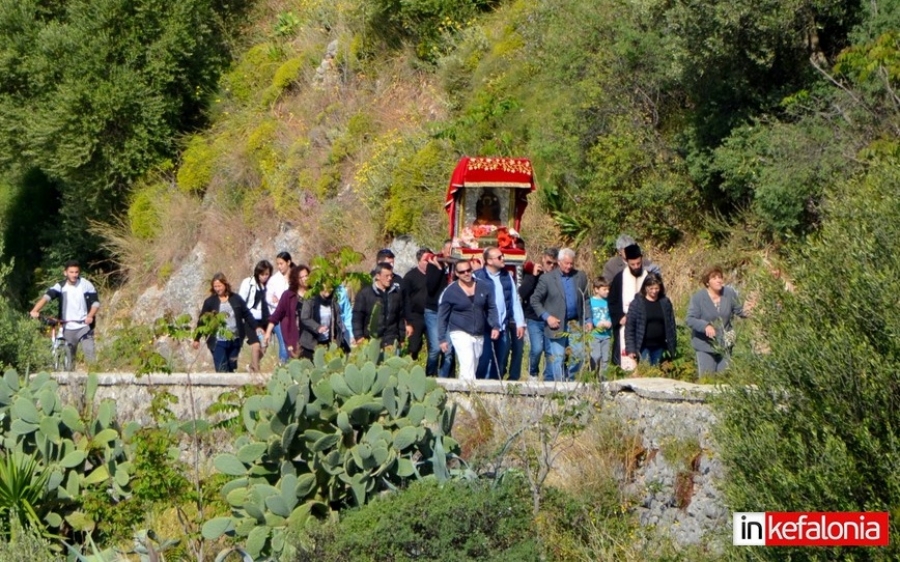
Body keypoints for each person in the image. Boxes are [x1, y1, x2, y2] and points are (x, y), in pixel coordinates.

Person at [530, 248, 592, 382]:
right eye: (566, 263)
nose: (569, 266)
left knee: (579, 355)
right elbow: (534, 300)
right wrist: (547, 316)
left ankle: (572, 382)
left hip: (575, 323)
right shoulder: (547, 279)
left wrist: (588, 318)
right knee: (557, 359)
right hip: (556, 324)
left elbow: (585, 298)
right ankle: (559, 389)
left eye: (571, 263)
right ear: (559, 262)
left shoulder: (580, 276)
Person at [437, 260, 501, 380]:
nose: (466, 274)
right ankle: (470, 394)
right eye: (462, 272)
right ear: (456, 273)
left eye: (468, 270)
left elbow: (492, 307)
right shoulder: (450, 291)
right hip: (459, 331)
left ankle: (461, 391)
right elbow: (442, 316)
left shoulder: (483, 286)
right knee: (468, 361)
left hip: (478, 333)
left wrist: (495, 326)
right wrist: (442, 339)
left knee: (473, 364)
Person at [30, 260, 100, 368]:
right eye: (71, 272)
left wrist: (90, 316)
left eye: (76, 272)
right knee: (69, 364)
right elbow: (46, 297)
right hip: (67, 329)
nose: (74, 275)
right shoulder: (60, 286)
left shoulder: (86, 284)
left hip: (84, 327)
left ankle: (95, 380)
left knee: (90, 355)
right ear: (65, 273)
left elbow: (95, 303)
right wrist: (35, 310)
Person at [686, 266, 750, 375]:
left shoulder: (729, 293)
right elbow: (690, 319)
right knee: (708, 380)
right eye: (714, 278)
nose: (719, 280)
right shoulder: (698, 298)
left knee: (724, 380)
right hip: (705, 345)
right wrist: (706, 326)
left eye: (720, 277)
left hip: (725, 344)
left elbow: (739, 311)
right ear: (707, 282)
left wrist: (749, 310)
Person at [474, 247, 525, 380]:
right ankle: (479, 388)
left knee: (499, 362)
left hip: (503, 327)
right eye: (499, 257)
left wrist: (520, 322)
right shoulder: (478, 276)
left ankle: (495, 390)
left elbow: (514, 300)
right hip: (484, 327)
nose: (503, 259)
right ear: (489, 261)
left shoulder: (506, 276)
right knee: (483, 360)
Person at [192, 273, 257, 373]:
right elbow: (202, 321)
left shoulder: (236, 299)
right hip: (218, 341)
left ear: (225, 285)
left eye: (219, 286)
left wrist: (257, 328)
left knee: (231, 367)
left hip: (235, 339)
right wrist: (197, 338)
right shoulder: (210, 302)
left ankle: (230, 388)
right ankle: (223, 387)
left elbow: (247, 314)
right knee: (222, 367)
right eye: (215, 286)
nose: (217, 289)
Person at [608, 243, 650, 370]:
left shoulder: (648, 277)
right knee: (624, 360)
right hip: (624, 324)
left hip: (645, 324)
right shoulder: (619, 279)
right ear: (627, 261)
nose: (636, 267)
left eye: (638, 263)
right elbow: (612, 301)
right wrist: (619, 317)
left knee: (644, 361)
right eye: (633, 264)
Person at [403, 248, 447, 368]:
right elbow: (405, 297)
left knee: (435, 346)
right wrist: (407, 319)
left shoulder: (437, 274)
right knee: (414, 346)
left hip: (432, 314)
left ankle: (432, 372)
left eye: (430, 260)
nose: (428, 263)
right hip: (416, 316)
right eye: (425, 260)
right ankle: (410, 368)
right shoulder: (410, 277)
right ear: (419, 261)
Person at [519, 248, 557, 379]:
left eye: (554, 264)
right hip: (534, 318)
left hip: (551, 318)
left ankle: (549, 378)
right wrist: (533, 276)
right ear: (543, 259)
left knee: (550, 351)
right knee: (536, 349)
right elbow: (522, 293)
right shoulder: (533, 274)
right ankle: (533, 372)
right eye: (549, 262)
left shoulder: (558, 277)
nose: (551, 266)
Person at [624, 273, 676, 367]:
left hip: (660, 346)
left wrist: (672, 346)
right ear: (645, 287)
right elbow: (629, 328)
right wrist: (631, 349)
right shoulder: (637, 304)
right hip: (643, 346)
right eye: (651, 288)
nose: (654, 291)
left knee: (658, 373)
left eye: (656, 288)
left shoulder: (665, 303)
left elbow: (671, 326)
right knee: (646, 371)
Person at [353, 263, 408, 351]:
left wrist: (401, 338)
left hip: (391, 340)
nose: (390, 278)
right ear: (378, 276)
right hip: (371, 340)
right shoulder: (365, 294)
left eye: (391, 275)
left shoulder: (396, 294)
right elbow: (357, 317)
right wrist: (359, 336)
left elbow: (400, 318)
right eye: (386, 276)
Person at [263, 265, 309, 361]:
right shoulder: (288, 295)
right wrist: (267, 333)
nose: (305, 279)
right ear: (296, 279)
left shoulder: (314, 294)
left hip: (310, 336)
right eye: (301, 277)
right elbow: (276, 315)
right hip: (294, 334)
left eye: (306, 276)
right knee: (296, 362)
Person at [238, 260, 272, 373]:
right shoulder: (248, 283)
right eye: (262, 274)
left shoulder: (270, 286)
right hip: (250, 320)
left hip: (265, 320)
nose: (264, 277)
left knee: (264, 346)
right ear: (257, 273)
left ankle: (252, 366)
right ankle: (257, 374)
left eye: (267, 274)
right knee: (256, 346)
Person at [299, 283, 350, 359]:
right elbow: (304, 317)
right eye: (326, 286)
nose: (328, 290)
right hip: (311, 343)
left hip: (328, 341)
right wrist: (317, 327)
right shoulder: (311, 299)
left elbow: (338, 320)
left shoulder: (334, 300)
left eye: (331, 287)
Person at [266, 251, 295, 363]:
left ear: (288, 262)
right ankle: (282, 367)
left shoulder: (295, 277)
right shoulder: (274, 280)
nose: (279, 266)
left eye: (281, 263)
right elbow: (268, 297)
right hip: (278, 317)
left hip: (292, 316)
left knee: (293, 344)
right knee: (284, 343)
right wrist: (277, 304)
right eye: (277, 264)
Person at [589, 277, 613, 377]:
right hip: (595, 334)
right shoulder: (591, 301)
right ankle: (593, 376)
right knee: (595, 356)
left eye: (608, 289)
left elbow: (611, 314)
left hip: (606, 335)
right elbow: (589, 316)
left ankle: (604, 379)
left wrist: (610, 323)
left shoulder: (608, 301)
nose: (607, 291)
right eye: (604, 289)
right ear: (596, 289)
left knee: (605, 358)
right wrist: (596, 323)